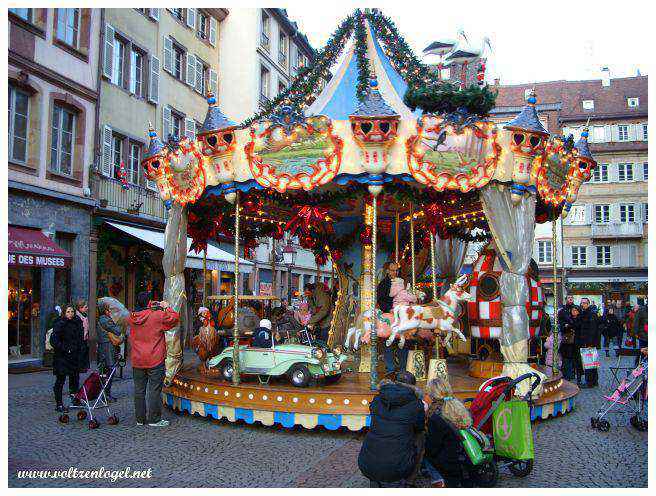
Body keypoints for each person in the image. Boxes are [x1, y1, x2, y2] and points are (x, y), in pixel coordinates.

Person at [358, 371, 425, 487]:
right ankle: (410, 480)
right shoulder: (416, 404)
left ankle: (378, 480)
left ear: (395, 382)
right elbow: (419, 427)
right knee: (421, 437)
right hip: (397, 467)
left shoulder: (378, 399)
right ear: (413, 386)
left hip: (366, 463)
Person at [128, 298, 179, 427]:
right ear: (149, 304)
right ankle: (154, 419)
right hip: (155, 358)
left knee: (139, 390)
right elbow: (174, 319)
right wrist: (167, 307)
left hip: (137, 358)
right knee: (154, 390)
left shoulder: (132, 317)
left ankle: (140, 418)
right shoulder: (156, 315)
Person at [423, 376, 473, 488]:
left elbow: (432, 448)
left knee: (423, 450)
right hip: (464, 460)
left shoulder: (435, 417)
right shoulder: (457, 406)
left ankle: (438, 481)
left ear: (431, 396)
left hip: (449, 465)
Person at [50, 305, 84, 413]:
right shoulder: (60, 324)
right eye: (68, 312)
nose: (70, 314)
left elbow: (80, 339)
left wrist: (79, 349)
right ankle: (59, 404)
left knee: (75, 379)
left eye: (72, 311)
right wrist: (65, 348)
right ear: (64, 313)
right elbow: (54, 341)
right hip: (62, 357)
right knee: (60, 380)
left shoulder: (77, 322)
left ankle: (75, 399)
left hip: (74, 356)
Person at [378, 263, 409, 374]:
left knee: (403, 340)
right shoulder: (383, 284)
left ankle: (403, 367)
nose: (394, 273)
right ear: (387, 271)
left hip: (401, 314)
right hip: (390, 315)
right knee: (389, 341)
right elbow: (380, 301)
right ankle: (390, 368)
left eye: (396, 270)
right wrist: (389, 308)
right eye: (392, 270)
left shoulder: (401, 282)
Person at [97, 302, 123, 401]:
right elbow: (117, 330)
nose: (110, 311)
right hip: (107, 347)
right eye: (109, 309)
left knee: (105, 371)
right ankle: (105, 394)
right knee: (110, 370)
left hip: (104, 347)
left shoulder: (103, 319)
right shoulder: (106, 320)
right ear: (105, 310)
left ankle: (105, 393)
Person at [577, 298, 600, 388]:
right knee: (592, 362)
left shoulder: (591, 314)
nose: (583, 305)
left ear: (588, 304)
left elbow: (593, 329)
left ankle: (590, 382)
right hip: (586, 341)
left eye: (585, 303)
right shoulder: (583, 314)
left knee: (589, 363)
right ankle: (594, 381)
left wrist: (589, 342)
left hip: (589, 342)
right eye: (582, 303)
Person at [560, 305, 580, 382]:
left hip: (576, 343)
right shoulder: (568, 318)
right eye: (572, 310)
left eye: (575, 310)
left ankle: (574, 375)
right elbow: (564, 328)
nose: (574, 312)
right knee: (567, 359)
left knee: (575, 360)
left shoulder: (579, 319)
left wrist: (570, 326)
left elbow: (577, 327)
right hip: (567, 343)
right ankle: (567, 375)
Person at [76, 299, 90, 371]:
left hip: (84, 337)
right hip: (80, 338)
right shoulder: (77, 316)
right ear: (80, 308)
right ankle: (80, 367)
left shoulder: (84, 315)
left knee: (83, 352)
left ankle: (82, 366)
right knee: (80, 353)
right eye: (85, 307)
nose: (87, 309)